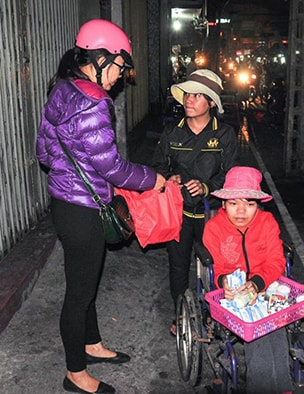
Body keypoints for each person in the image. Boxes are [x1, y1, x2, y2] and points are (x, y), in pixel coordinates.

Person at [36, 19, 166, 394]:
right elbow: (112, 167)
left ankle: (91, 344)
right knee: (78, 293)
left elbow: (44, 151)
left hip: (64, 203)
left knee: (85, 281)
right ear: (100, 59)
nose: (120, 77)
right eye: (119, 67)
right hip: (83, 210)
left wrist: (67, 167)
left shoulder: (61, 90)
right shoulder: (93, 102)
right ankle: (74, 373)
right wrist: (152, 178)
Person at [151, 69, 238, 335]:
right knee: (177, 265)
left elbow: (231, 177)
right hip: (179, 213)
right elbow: (156, 166)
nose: (189, 99)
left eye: (198, 95)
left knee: (215, 266)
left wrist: (207, 186)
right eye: (187, 94)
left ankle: (214, 315)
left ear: (211, 103)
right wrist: (169, 179)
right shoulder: (171, 133)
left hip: (212, 215)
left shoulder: (224, 135)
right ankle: (181, 316)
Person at [202, 166, 293, 393]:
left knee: (276, 324)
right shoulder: (213, 228)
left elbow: (276, 261)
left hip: (266, 285)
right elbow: (217, 268)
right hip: (231, 296)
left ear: (258, 205)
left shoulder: (267, 222)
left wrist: (257, 284)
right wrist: (223, 282)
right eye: (234, 203)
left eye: (250, 204)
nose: (241, 211)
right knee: (259, 331)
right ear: (223, 204)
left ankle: (283, 387)